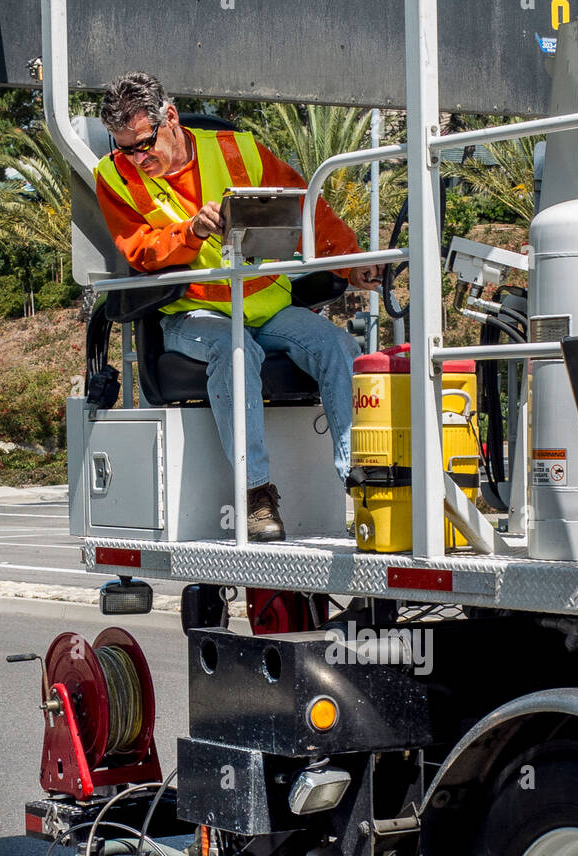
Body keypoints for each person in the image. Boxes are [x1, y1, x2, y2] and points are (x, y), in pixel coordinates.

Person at [96, 72, 382, 541]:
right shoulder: (114, 177)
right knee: (235, 351)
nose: (137, 158)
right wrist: (191, 232)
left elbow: (308, 210)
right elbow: (141, 250)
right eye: (126, 148)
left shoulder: (239, 149)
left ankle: (361, 484)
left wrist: (351, 265)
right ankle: (256, 495)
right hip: (191, 315)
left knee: (336, 345)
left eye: (145, 144)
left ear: (170, 117)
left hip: (265, 306)